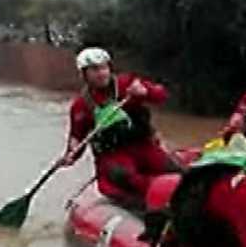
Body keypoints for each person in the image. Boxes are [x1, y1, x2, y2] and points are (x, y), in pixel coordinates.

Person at [58, 47, 181, 207]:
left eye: (104, 67)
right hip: (113, 155)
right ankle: (159, 196)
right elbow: (77, 138)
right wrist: (70, 155)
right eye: (94, 69)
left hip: (143, 146)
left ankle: (176, 191)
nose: (101, 73)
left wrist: (145, 91)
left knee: (173, 169)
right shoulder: (81, 106)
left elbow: (161, 95)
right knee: (126, 176)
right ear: (84, 74)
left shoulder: (127, 84)